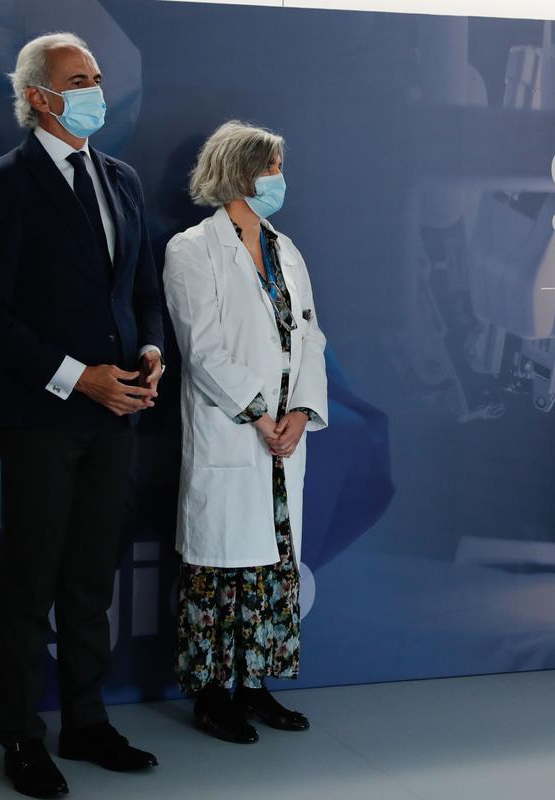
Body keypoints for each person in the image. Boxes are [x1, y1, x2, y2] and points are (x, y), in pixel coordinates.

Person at [0, 32, 163, 798]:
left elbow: (142, 291)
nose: (95, 89)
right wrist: (82, 380)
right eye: (79, 79)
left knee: (89, 582)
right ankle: (21, 736)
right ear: (39, 96)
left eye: (98, 76)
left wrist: (150, 352)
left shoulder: (123, 180)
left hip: (119, 418)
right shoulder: (3, 184)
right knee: (33, 581)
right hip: (43, 417)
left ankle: (86, 721)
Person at [163, 121, 328, 744]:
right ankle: (212, 696)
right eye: (271, 166)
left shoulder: (288, 251)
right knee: (223, 571)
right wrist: (261, 413)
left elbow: (310, 336)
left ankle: (256, 688)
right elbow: (202, 349)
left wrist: (302, 412)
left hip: (284, 442)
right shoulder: (192, 249)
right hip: (235, 432)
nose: (280, 178)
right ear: (239, 172)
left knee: (272, 567)